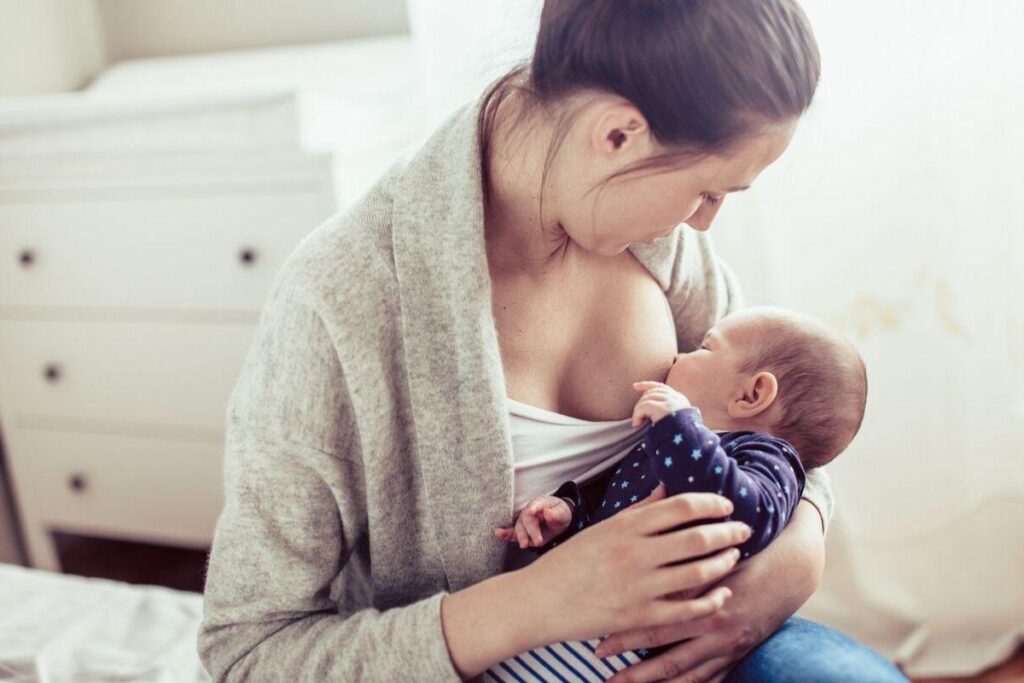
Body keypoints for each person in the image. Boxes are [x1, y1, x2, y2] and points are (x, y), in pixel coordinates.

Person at [198, 1, 909, 681]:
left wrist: (784, 575)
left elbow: (782, 433)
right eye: (709, 192)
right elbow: (248, 650)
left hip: (697, 644)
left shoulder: (656, 244)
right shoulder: (342, 301)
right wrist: (538, 600)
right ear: (618, 134)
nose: (704, 224)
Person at [489, 308, 869, 679]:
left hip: (638, 646)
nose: (679, 355)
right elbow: (618, 510)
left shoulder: (767, 458)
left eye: (704, 347)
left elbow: (741, 516)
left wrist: (679, 424)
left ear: (752, 394)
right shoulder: (673, 442)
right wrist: (570, 512)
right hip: (574, 622)